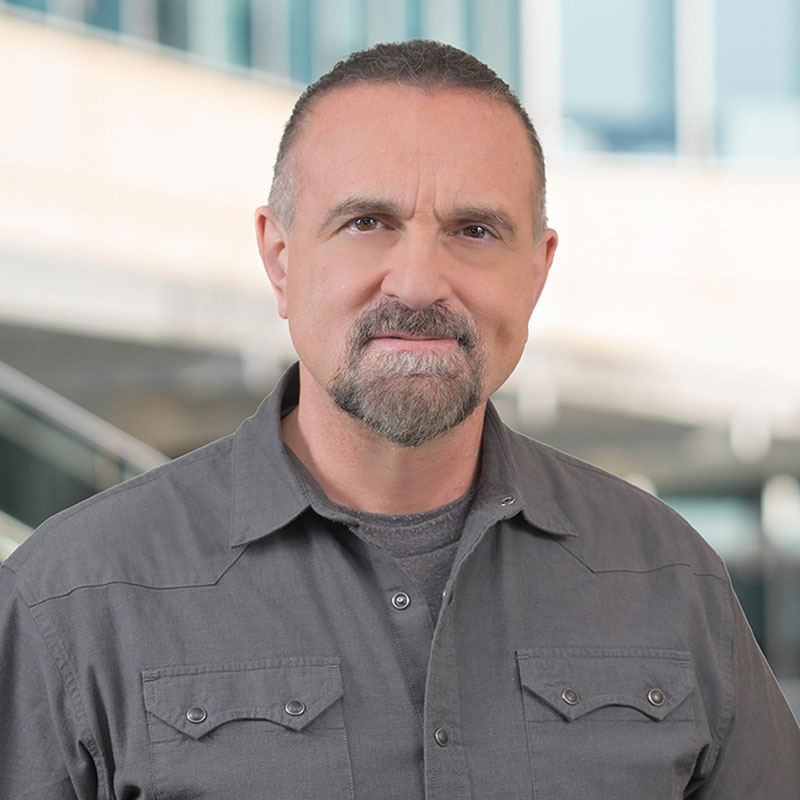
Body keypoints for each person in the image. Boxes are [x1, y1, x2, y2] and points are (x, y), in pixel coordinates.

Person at [0, 40, 797, 800]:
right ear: (279, 258)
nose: (418, 283)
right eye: (367, 223)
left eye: (474, 231)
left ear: (537, 271)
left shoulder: (671, 582)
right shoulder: (68, 600)